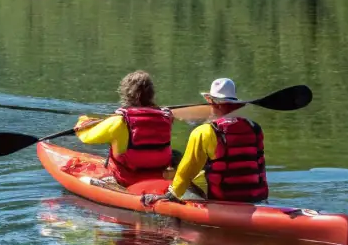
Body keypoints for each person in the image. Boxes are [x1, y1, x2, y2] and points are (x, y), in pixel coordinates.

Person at [142, 77, 269, 206]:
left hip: (221, 200)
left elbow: (186, 172)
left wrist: (170, 195)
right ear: (236, 104)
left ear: (209, 100)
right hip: (255, 198)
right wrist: (264, 199)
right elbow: (260, 168)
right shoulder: (254, 128)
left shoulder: (204, 132)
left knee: (180, 175)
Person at [72, 70, 175, 186]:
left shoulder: (119, 121)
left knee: (80, 176)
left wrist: (82, 123)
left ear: (126, 94)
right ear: (152, 94)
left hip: (126, 179)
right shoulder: (167, 117)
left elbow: (87, 137)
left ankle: (111, 186)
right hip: (159, 175)